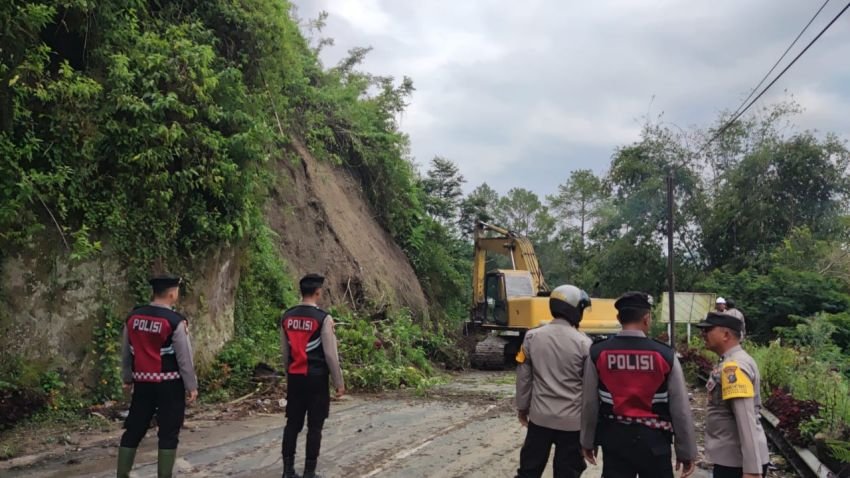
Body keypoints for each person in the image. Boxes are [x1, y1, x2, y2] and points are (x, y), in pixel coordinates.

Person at [580, 292, 696, 478]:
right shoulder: (664, 355)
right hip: (655, 442)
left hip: (614, 441)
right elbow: (680, 408)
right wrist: (686, 452)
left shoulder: (598, 353)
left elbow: (589, 404)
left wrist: (587, 441)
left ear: (619, 318)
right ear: (647, 318)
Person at [117, 275, 198, 478]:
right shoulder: (175, 321)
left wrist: (128, 377)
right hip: (169, 384)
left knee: (134, 428)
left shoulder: (133, 317)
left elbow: (127, 351)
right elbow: (184, 358)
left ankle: (122, 474)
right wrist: (191, 385)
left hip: (143, 383)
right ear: (172, 294)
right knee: (168, 432)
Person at [515, 284, 593, 478]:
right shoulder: (584, 344)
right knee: (567, 473)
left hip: (540, 419)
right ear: (574, 309)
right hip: (572, 424)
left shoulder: (532, 337)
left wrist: (522, 408)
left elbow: (524, 378)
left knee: (529, 471)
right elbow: (589, 388)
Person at [280, 274, 344, 478]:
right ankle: (309, 472)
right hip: (316, 379)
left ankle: (287, 470)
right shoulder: (323, 319)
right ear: (317, 292)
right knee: (315, 426)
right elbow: (330, 355)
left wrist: (288, 376)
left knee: (292, 424)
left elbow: (285, 352)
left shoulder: (287, 316)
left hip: (295, 378)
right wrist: (338, 382)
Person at [696, 312, 770, 478]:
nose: (703, 334)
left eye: (708, 330)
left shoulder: (734, 367)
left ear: (726, 334)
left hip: (738, 464)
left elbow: (746, 419)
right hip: (732, 459)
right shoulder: (730, 361)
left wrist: (752, 470)